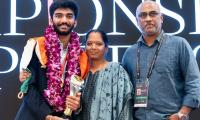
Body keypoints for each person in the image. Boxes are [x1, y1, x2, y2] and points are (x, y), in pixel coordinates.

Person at [122, 1, 200, 120]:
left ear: (161, 18)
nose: (148, 19)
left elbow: (194, 82)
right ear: (137, 21)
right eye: (143, 15)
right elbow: (124, 91)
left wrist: (182, 114)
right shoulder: (129, 53)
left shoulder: (179, 45)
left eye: (153, 14)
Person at [15, 0, 89, 120]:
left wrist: (77, 104)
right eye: (58, 16)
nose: (64, 20)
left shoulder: (82, 57)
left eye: (69, 16)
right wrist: (47, 116)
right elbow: (29, 86)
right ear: (51, 20)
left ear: (75, 22)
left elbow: (81, 94)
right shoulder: (36, 46)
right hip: (34, 115)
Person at [75, 29, 133, 120]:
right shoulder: (80, 73)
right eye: (89, 44)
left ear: (106, 48)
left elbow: (126, 105)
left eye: (98, 44)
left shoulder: (117, 71)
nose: (93, 47)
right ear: (85, 47)